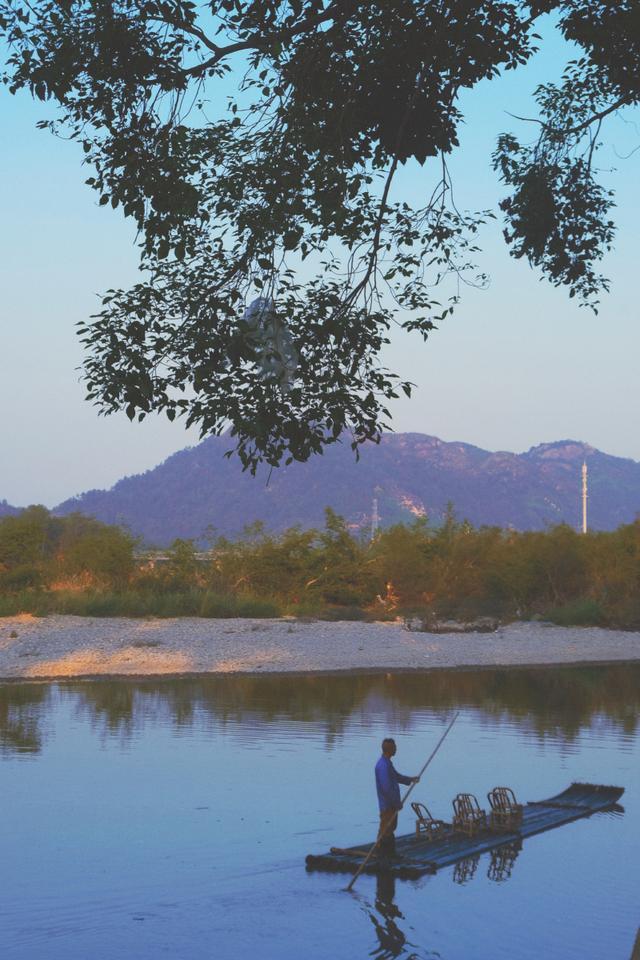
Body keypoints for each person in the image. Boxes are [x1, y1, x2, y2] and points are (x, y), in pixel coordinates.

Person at [375, 738, 419, 859]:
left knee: (390, 827)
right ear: (389, 749)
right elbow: (386, 788)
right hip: (387, 804)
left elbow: (396, 776)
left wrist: (410, 779)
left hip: (391, 804)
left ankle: (387, 853)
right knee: (386, 828)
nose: (396, 749)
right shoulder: (383, 766)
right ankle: (382, 853)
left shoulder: (387, 763)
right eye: (394, 747)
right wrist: (396, 803)